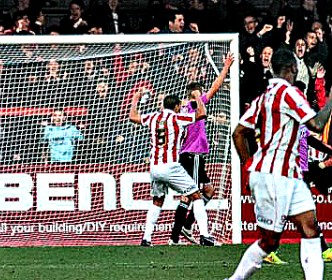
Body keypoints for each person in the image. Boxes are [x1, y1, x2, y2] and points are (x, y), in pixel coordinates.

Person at [227, 49, 332, 280]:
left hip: (289, 175)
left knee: (311, 228)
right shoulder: (289, 93)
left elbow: (238, 133)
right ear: (293, 68)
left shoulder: (263, 97)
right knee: (270, 241)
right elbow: (316, 124)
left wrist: (248, 166)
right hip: (274, 176)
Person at [128, 91, 215, 247]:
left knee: (157, 200)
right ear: (176, 107)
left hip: (154, 167)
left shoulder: (153, 117)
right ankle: (205, 235)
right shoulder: (177, 118)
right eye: (179, 106)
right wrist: (197, 97)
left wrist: (135, 100)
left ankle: (146, 238)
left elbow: (133, 117)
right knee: (196, 196)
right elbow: (201, 114)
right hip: (171, 166)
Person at [170, 53, 234, 245]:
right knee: (191, 195)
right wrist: (226, 67)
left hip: (190, 155)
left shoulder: (184, 108)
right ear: (196, 93)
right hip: (193, 155)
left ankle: (185, 228)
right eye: (201, 92)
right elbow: (215, 86)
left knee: (208, 190)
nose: (204, 94)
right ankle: (179, 236)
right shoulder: (193, 106)